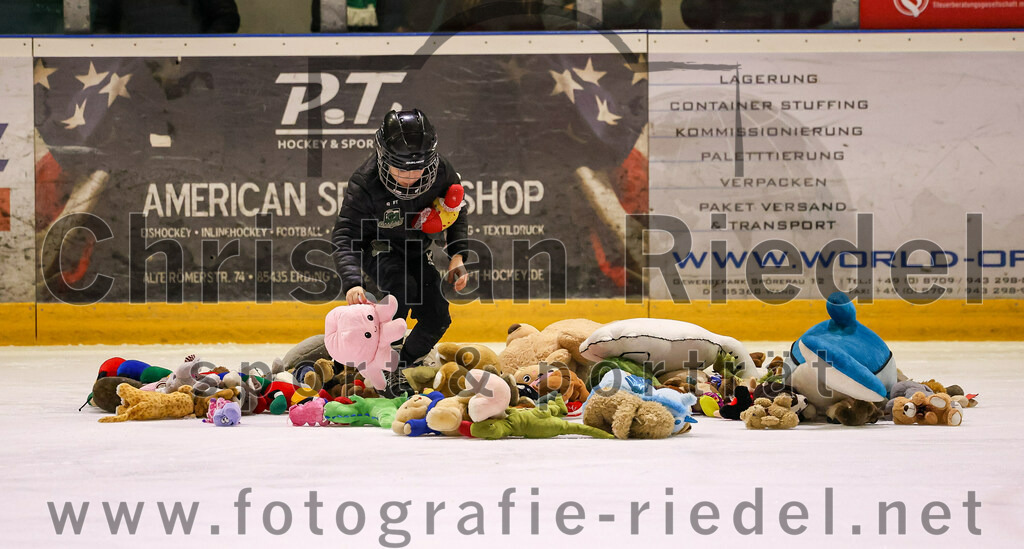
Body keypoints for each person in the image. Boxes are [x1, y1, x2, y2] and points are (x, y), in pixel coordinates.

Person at [332, 109, 469, 398]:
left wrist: (458, 255)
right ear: (383, 158)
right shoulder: (365, 183)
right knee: (401, 291)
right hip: (377, 245)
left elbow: (456, 209)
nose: (409, 177)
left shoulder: (442, 171)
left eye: (417, 169)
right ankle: (371, 361)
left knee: (438, 316)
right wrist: (352, 281)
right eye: (399, 169)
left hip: (416, 247)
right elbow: (344, 235)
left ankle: (396, 367)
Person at [91, 0, 240, 34]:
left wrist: (197, 54)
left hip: (192, 75)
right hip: (134, 71)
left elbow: (227, 18)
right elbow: (103, 25)